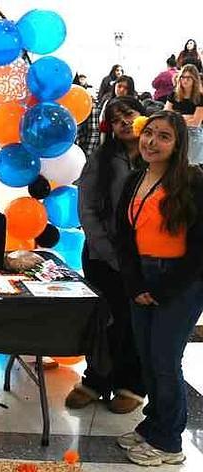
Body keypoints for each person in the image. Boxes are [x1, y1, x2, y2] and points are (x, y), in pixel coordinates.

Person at [115, 110, 203, 466]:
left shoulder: (193, 182)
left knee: (165, 360)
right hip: (142, 275)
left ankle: (169, 442)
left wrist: (164, 289)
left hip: (180, 281)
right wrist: (135, 283)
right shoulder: (135, 179)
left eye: (164, 136)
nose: (152, 142)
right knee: (148, 357)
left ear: (178, 144)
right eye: (149, 133)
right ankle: (154, 425)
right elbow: (125, 237)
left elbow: (199, 249)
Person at [67, 96, 147, 414]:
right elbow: (87, 211)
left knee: (135, 323)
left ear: (142, 115)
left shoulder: (158, 154)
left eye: (128, 114)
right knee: (105, 321)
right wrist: (111, 254)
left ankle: (132, 385)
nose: (124, 122)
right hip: (103, 256)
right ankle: (96, 381)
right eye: (115, 119)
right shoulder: (102, 159)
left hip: (146, 258)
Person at [164, 64, 203, 164]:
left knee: (191, 163)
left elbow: (196, 122)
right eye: (182, 77)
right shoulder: (174, 94)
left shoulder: (200, 97)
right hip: (175, 129)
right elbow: (166, 114)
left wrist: (176, 116)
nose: (185, 80)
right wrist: (187, 117)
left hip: (192, 132)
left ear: (194, 79)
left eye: (188, 78)